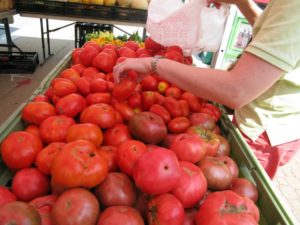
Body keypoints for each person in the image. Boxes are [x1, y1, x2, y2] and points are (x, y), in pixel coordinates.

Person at [113, 0, 300, 179]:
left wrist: (153, 65)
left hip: (264, 128)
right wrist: (243, 3)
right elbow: (274, 33)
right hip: (274, 118)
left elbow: (235, 90)